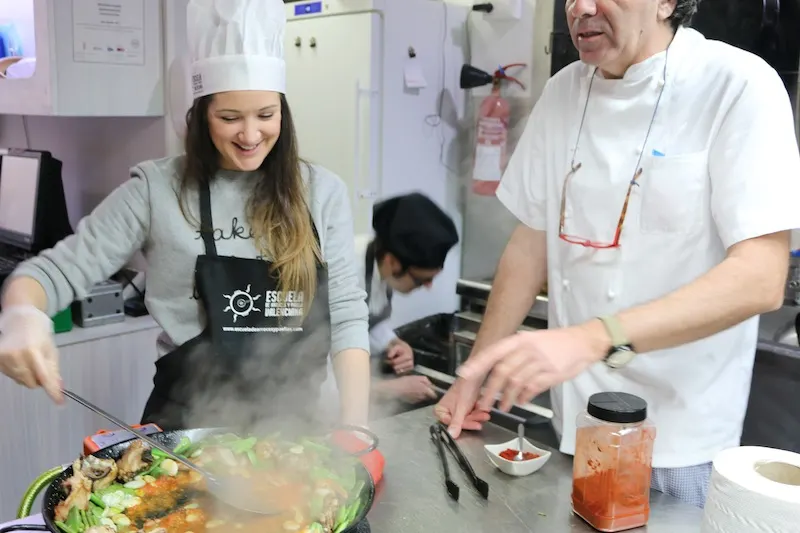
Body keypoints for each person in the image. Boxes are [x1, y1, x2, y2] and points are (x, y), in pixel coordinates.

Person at [436, 0, 800, 508]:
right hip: (575, 424)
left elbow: (761, 277)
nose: (580, 8)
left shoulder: (736, 84)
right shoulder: (565, 90)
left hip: (678, 444)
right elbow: (530, 244)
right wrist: (474, 374)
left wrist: (591, 338)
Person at [0, 0, 371, 431]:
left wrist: (355, 427)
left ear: (283, 114)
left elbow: (346, 313)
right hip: (183, 437)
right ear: (200, 117)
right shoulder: (157, 191)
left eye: (266, 116)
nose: (251, 135)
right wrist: (23, 314)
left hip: (294, 438)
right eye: (229, 117)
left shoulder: (321, 192)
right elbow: (52, 273)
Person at [358, 193, 460, 406]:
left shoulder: (379, 265)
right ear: (392, 262)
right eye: (422, 280)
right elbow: (315, 382)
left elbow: (365, 322)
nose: (428, 287)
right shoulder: (337, 276)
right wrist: (390, 389)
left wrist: (392, 342)